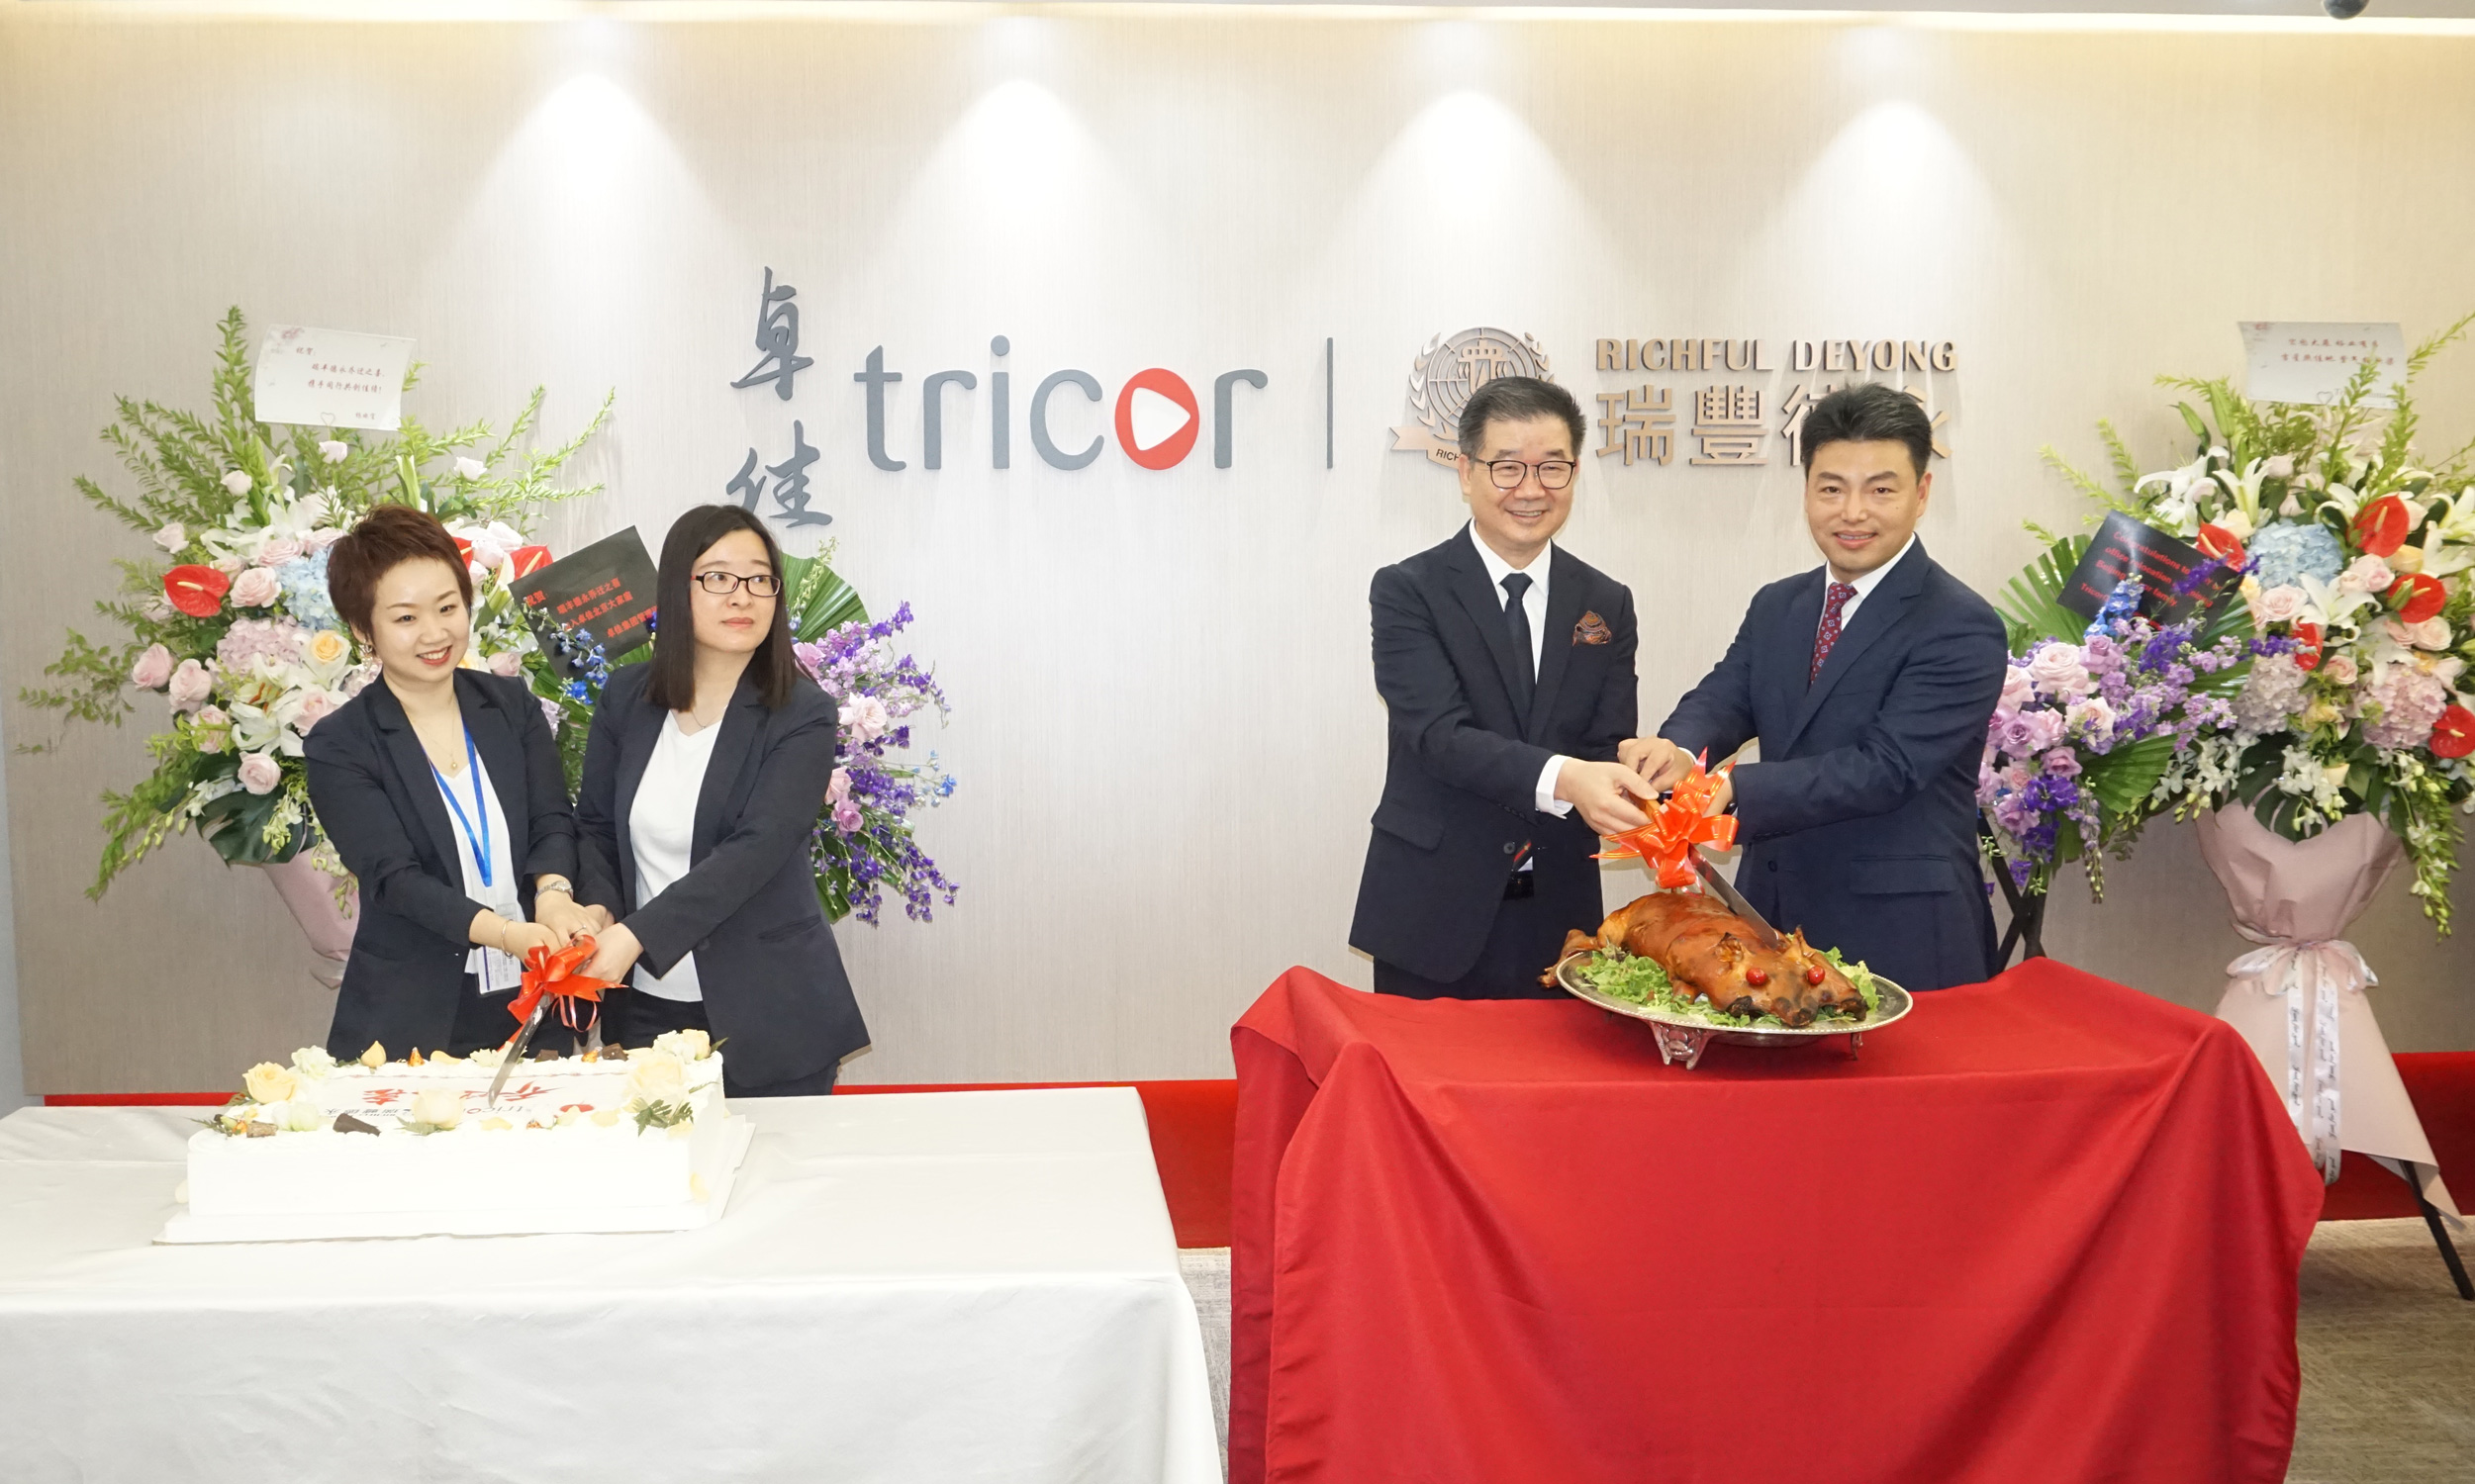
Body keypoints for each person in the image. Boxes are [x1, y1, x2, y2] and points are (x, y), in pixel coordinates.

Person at [1627, 383, 2007, 991]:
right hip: (1771, 918)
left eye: (1880, 490)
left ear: (1922, 494)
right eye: (1831, 488)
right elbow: (1728, 694)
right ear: (1806, 490)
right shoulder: (1780, 604)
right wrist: (1676, 751)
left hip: (1901, 929)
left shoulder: (1960, 623)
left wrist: (1733, 788)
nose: (1852, 512)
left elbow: (1887, 768)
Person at [1349, 375, 1654, 999]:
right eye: (1507, 467)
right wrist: (1570, 779)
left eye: (1552, 468)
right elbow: (1438, 737)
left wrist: (1643, 772)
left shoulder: (1607, 601)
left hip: (1560, 915)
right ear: (1466, 472)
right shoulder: (1408, 591)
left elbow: (1604, 743)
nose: (1531, 490)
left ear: (1574, 473)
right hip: (1433, 908)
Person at [572, 504, 867, 1096]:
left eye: (760, 579)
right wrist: (599, 910)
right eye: (718, 578)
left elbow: (756, 850)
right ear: (677, 590)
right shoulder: (627, 698)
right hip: (647, 1010)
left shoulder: (803, 712)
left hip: (770, 1011)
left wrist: (636, 935)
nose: (742, 597)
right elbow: (597, 826)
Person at [305, 505, 601, 1060]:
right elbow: (394, 879)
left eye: (447, 607)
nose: (435, 633)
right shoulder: (341, 743)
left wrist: (554, 894)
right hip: (414, 1013)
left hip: (536, 997)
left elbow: (551, 819)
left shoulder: (510, 705)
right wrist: (508, 934)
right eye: (406, 618)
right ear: (363, 630)